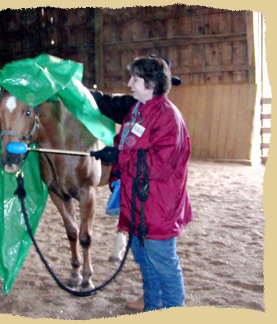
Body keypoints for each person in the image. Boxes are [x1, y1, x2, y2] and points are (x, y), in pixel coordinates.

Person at [90, 55, 193, 312]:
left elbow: (162, 163)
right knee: (145, 261)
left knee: (164, 264)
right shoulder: (137, 109)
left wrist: (121, 156)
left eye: (135, 79)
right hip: (137, 202)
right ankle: (152, 306)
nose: (129, 83)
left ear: (151, 84)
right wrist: (110, 150)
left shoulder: (168, 116)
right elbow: (128, 142)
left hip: (159, 205)